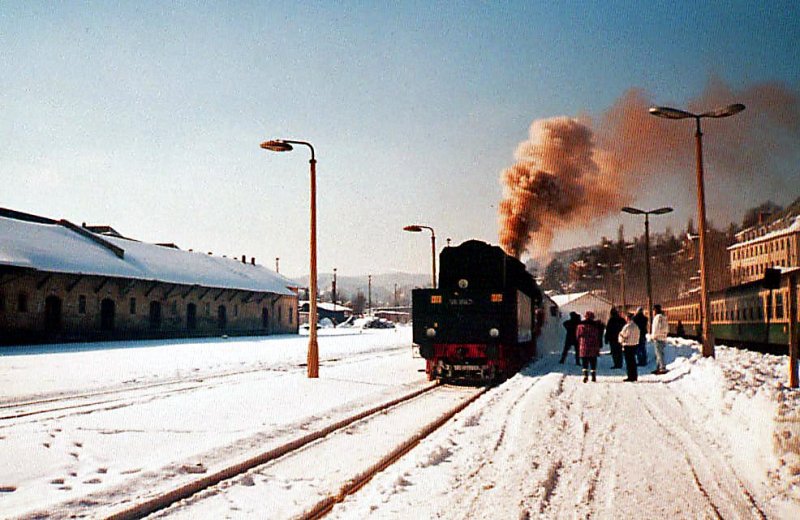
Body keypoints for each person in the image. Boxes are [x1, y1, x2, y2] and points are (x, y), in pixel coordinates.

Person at [576, 311, 603, 383]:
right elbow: (599, 335)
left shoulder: (580, 325)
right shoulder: (596, 325)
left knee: (584, 361)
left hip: (584, 345)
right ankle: (593, 376)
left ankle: (585, 375)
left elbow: (578, 336)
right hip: (594, 345)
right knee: (593, 360)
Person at [618, 312, 640, 382]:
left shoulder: (627, 326)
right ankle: (634, 376)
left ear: (628, 318)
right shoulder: (636, 326)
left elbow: (622, 335)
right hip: (634, 345)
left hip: (627, 345)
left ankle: (630, 376)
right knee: (633, 361)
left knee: (629, 362)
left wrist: (621, 341)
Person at [651, 304, 669, 375]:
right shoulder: (664, 317)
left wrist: (653, 336)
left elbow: (656, 328)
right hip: (663, 337)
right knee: (660, 353)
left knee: (659, 353)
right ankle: (658, 367)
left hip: (657, 337)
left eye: (653, 310)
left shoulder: (657, 318)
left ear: (655, 310)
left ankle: (662, 368)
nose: (653, 312)